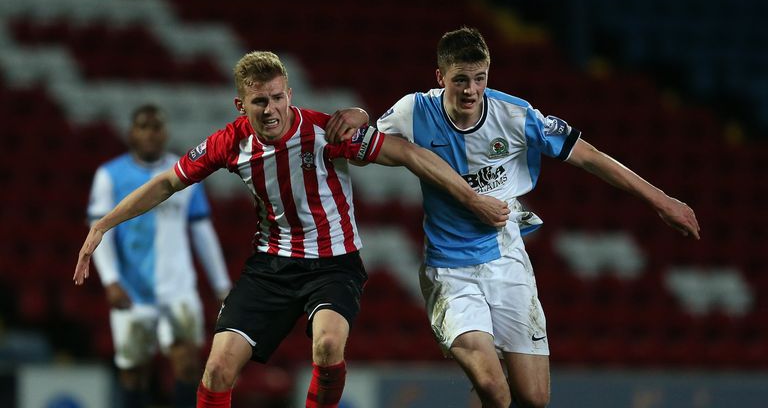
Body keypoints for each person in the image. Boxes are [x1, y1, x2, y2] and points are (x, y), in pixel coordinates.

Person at [74, 51, 509, 408]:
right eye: (259, 102)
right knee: (217, 370)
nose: (271, 109)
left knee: (327, 346)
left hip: (334, 265)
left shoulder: (327, 131)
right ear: (241, 106)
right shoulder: (230, 142)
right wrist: (104, 225)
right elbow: (168, 181)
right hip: (271, 265)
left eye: (278, 98)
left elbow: (408, 154)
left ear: (290, 95)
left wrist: (471, 198)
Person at [376, 27, 701, 408]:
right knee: (495, 390)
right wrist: (360, 114)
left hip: (506, 261)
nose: (470, 90)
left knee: (534, 398)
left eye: (479, 79)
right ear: (440, 77)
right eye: (460, 79)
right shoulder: (414, 111)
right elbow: (367, 142)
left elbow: (590, 156)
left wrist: (661, 200)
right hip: (450, 272)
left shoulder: (515, 115)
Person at [86, 104, 232, 408]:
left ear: (165, 132)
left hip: (178, 289)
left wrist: (221, 285)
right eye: (144, 126)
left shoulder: (185, 171)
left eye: (156, 127)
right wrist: (111, 281)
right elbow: (101, 232)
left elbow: (202, 231)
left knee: (188, 365)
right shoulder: (109, 176)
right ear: (131, 133)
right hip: (133, 291)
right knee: (134, 372)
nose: (151, 133)